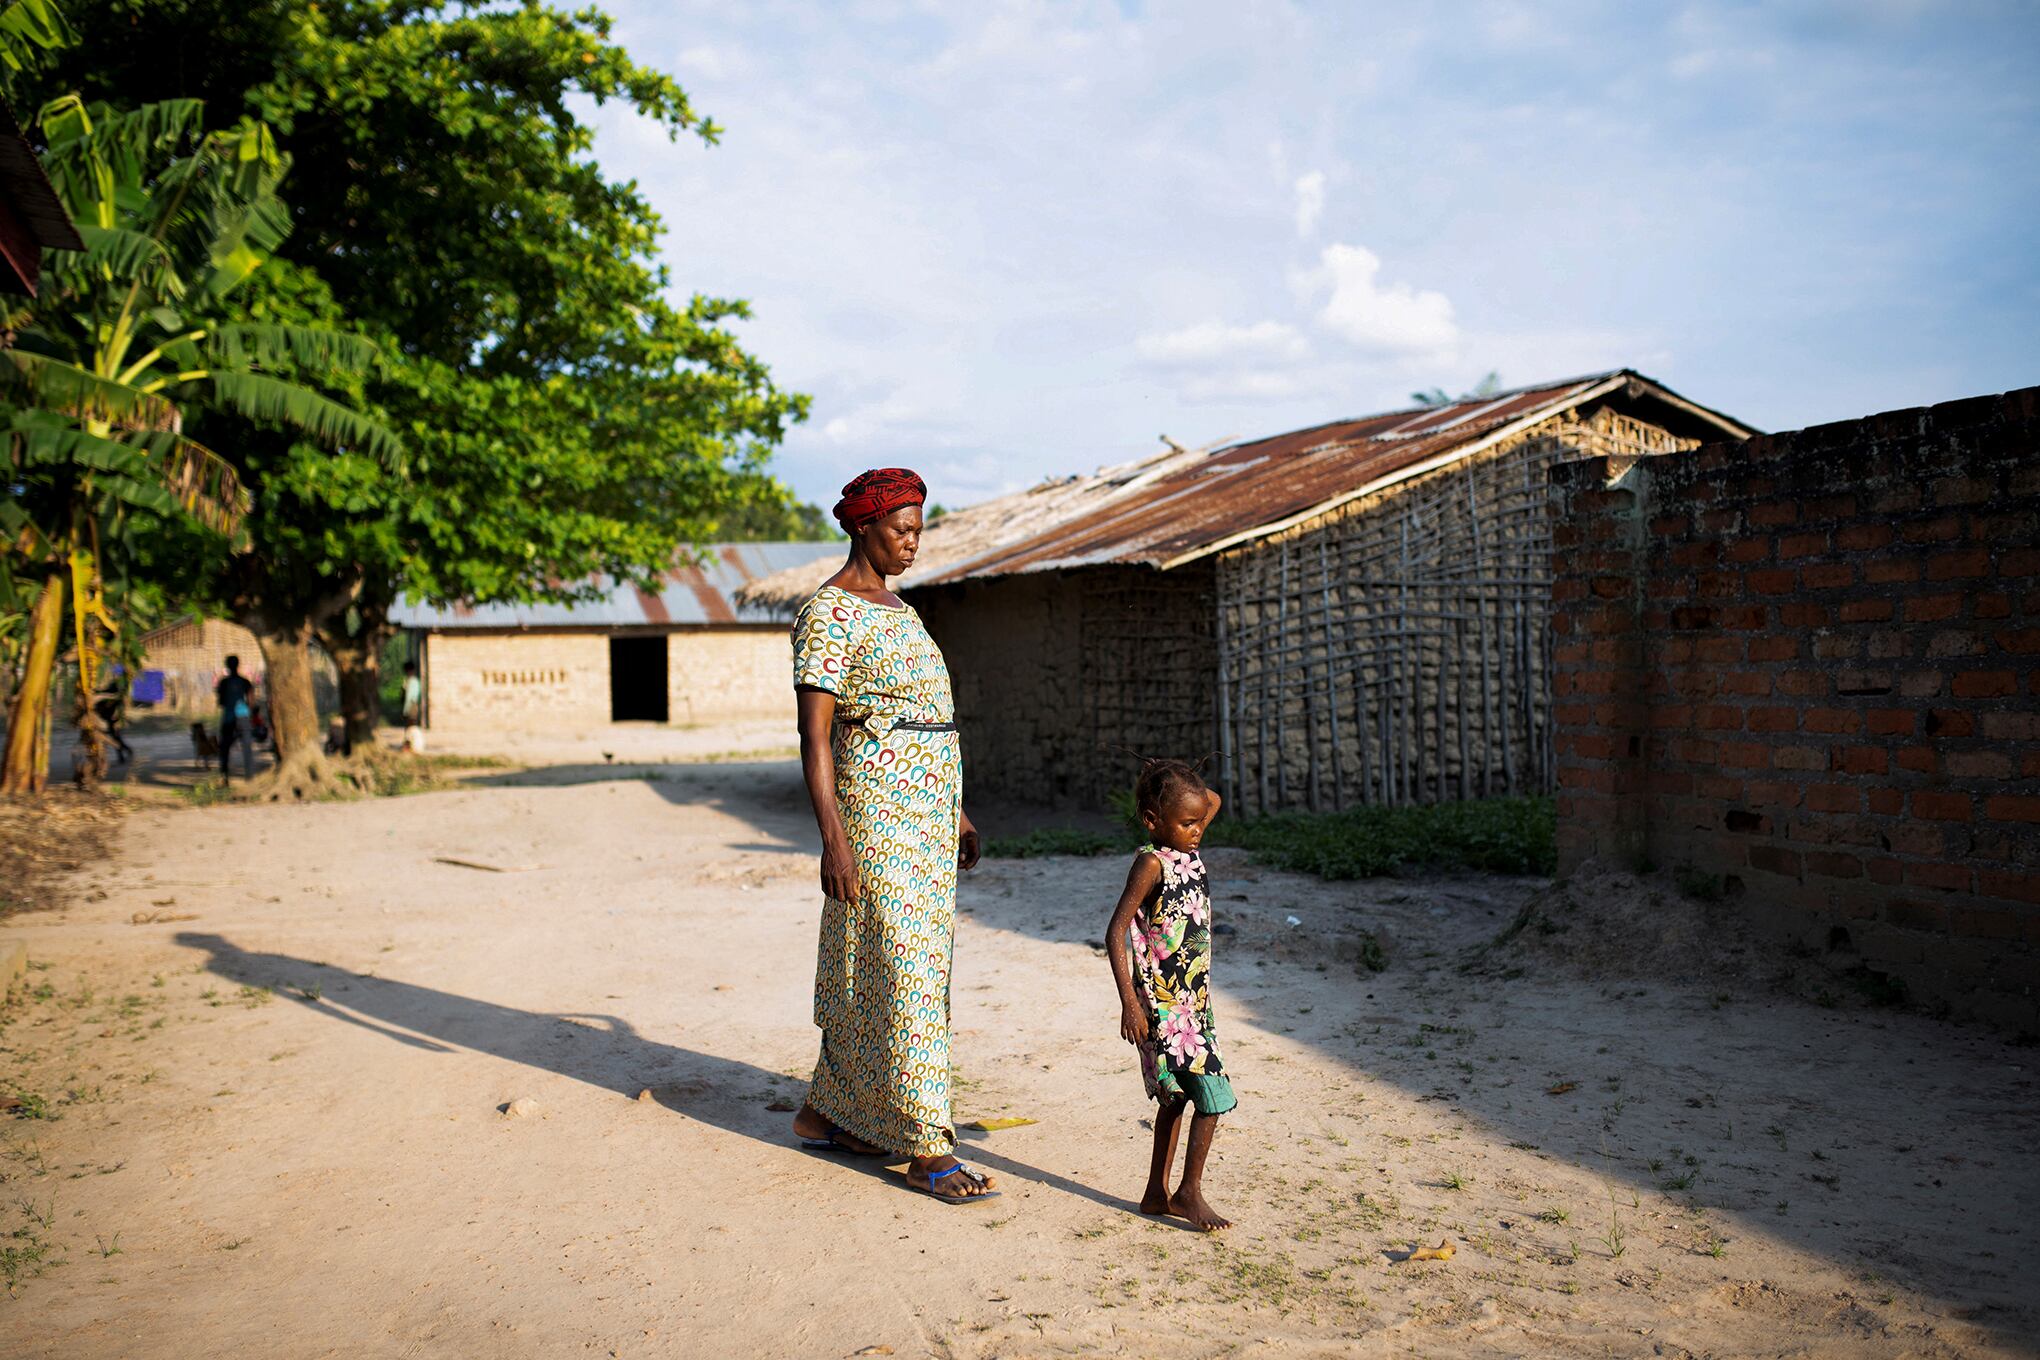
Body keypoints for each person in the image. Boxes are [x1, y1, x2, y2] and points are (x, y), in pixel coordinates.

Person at [787, 467, 995, 1203]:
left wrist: (956, 809)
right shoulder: (829, 614)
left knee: (897, 968)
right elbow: (815, 741)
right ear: (861, 528)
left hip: (929, 815)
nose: (912, 543)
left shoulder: (901, 611)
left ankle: (834, 1114)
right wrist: (833, 841)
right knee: (902, 968)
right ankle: (927, 1148)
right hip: (874, 813)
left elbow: (926, 716)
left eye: (917, 530)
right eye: (899, 529)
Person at [1104, 757, 1234, 1232]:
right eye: (1187, 822)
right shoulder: (1152, 863)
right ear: (1152, 821)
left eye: (1200, 822)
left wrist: (1174, 774)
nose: (1199, 829)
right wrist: (1129, 1003)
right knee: (1214, 1097)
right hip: (1164, 1007)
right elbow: (1115, 931)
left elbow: (1210, 801)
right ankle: (1188, 1193)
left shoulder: (1186, 845)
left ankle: (1156, 1194)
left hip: (1194, 1003)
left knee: (1175, 1099)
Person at [215, 655, 256, 780]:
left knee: (225, 748)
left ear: (227, 665)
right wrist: (250, 713)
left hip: (228, 717)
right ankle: (249, 777)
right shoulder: (245, 682)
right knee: (247, 747)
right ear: (238, 665)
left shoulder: (223, 682)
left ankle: (225, 776)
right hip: (243, 717)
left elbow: (220, 702)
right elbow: (251, 701)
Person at [400, 661, 425, 753]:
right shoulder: (408, 681)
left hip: (411, 706)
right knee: (408, 727)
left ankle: (410, 746)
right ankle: (408, 745)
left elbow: (411, 698)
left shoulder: (413, 681)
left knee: (410, 727)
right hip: (410, 706)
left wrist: (405, 710)